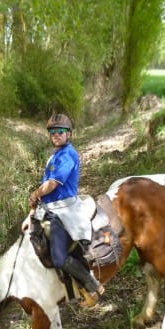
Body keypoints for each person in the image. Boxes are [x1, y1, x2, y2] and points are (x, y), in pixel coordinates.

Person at [22, 113, 104, 307]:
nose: (56, 135)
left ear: (69, 134)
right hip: (49, 208)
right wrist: (30, 215)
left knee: (59, 257)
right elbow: (45, 193)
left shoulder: (68, 155)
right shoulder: (56, 156)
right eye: (52, 132)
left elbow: (50, 186)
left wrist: (34, 194)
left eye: (61, 131)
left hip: (64, 211)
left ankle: (93, 286)